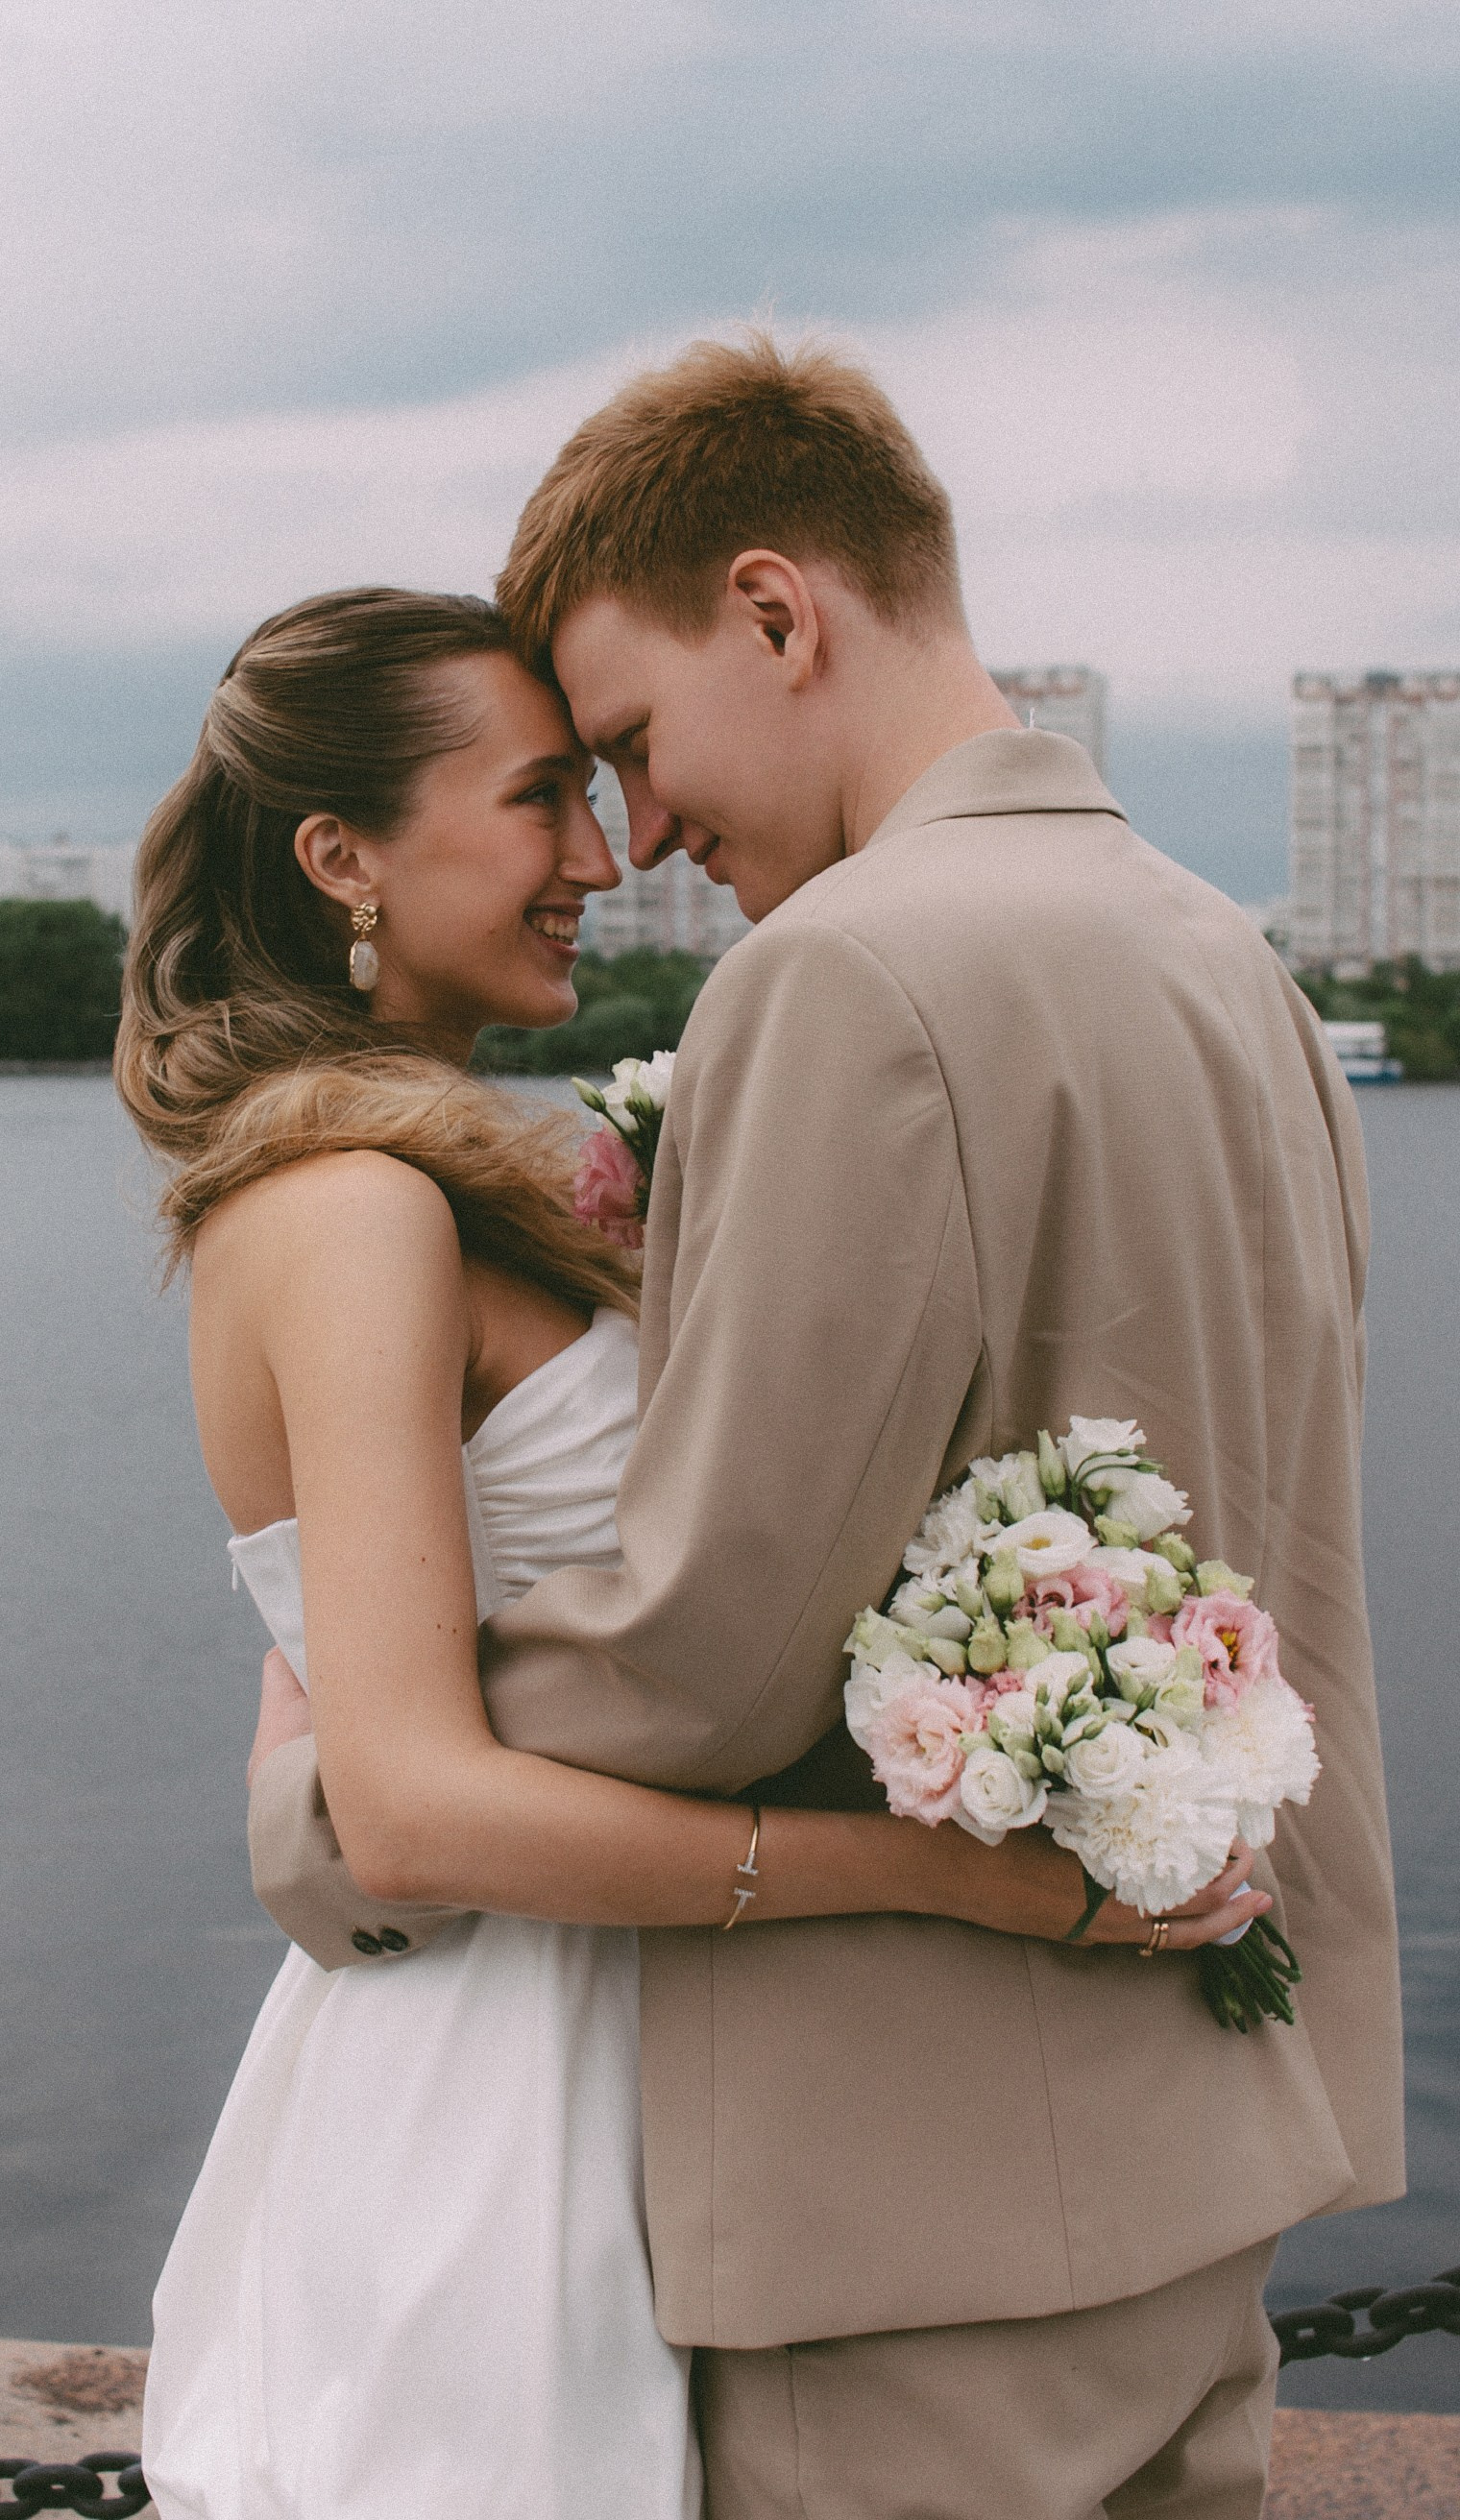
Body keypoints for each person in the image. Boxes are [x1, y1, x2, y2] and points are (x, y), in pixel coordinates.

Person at [244, 342, 1404, 2518]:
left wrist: (359, 1798)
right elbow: (1301, 1554)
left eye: (634, 744)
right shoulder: (1228, 958)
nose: (648, 835)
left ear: (781, 613)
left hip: (918, 2210)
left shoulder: (842, 983)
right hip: (1226, 2136)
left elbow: (714, 1643)